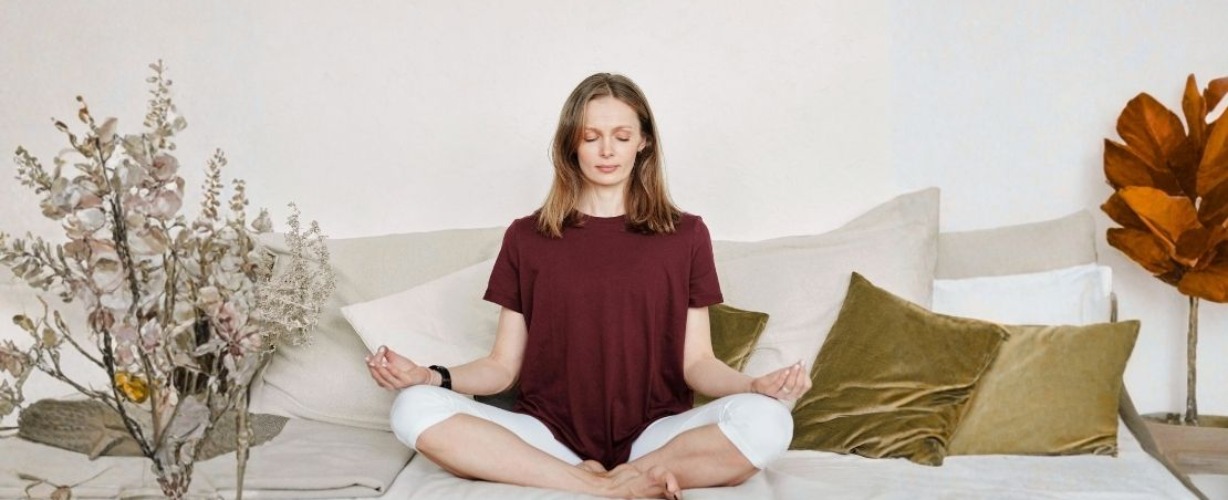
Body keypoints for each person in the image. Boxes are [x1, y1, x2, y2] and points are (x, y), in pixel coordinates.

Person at [366, 73, 809, 499]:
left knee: (769, 422)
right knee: (412, 407)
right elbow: (502, 367)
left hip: (656, 435)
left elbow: (697, 363)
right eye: (591, 136)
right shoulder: (526, 237)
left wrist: (754, 387)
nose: (607, 150)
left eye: (621, 135)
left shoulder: (686, 235)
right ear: (571, 144)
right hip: (548, 434)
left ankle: (616, 475)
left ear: (644, 141)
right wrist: (429, 376)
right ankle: (603, 486)